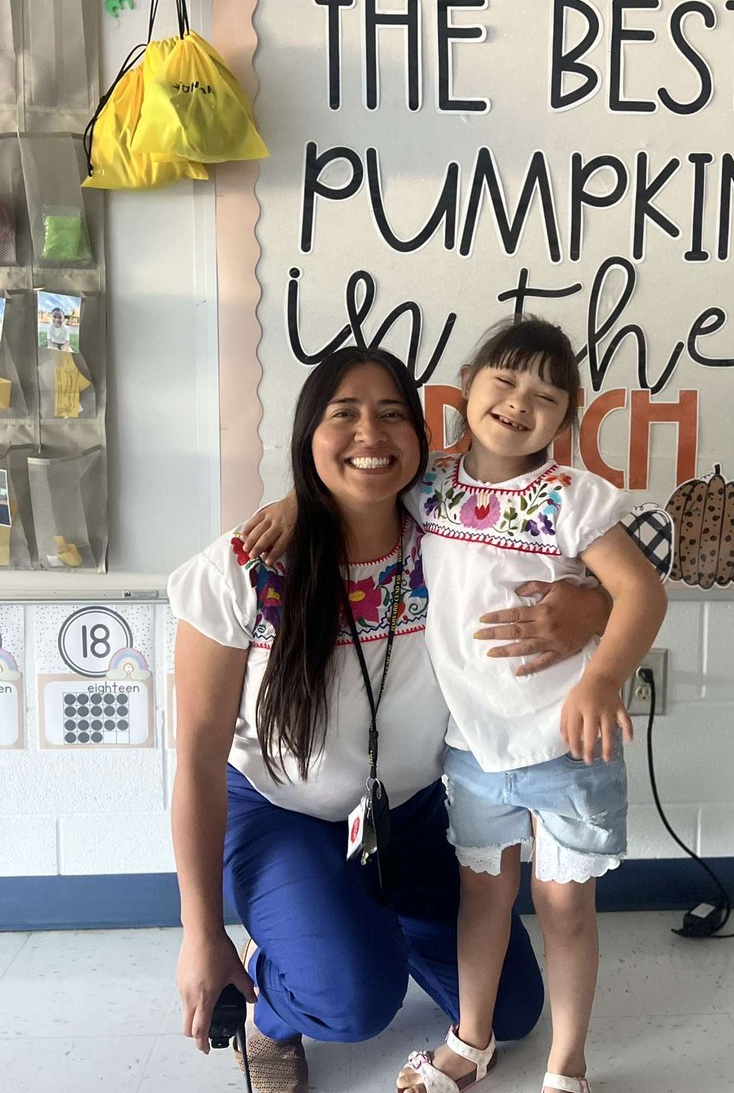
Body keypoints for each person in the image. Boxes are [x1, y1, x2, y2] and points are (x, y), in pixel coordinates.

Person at [168, 345, 614, 1093]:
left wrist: (594, 606)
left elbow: (628, 567)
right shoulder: (244, 567)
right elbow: (195, 756)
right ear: (309, 435)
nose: (370, 434)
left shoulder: (449, 533)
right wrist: (199, 932)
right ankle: (272, 1007)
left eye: (392, 414)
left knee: (513, 1012)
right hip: (284, 817)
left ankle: (352, 926)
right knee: (352, 1001)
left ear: (424, 437)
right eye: (344, 415)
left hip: (406, 819)